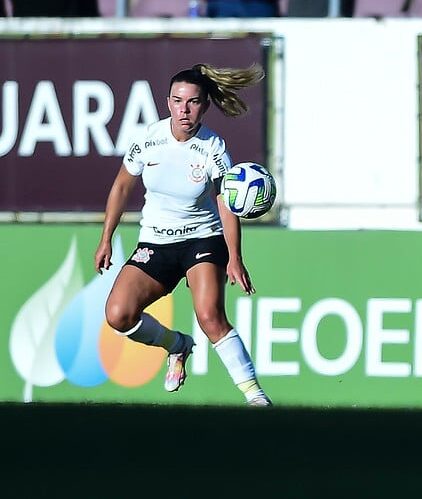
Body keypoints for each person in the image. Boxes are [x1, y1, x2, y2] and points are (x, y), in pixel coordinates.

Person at [94, 63, 272, 407]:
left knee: (210, 316)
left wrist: (235, 257)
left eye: (192, 102)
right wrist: (105, 238)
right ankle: (176, 345)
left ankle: (256, 398)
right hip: (156, 241)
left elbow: (226, 203)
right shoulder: (149, 139)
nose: (184, 109)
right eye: (178, 101)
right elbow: (120, 186)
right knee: (118, 314)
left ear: (204, 106)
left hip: (202, 239)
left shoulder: (213, 148)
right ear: (168, 102)